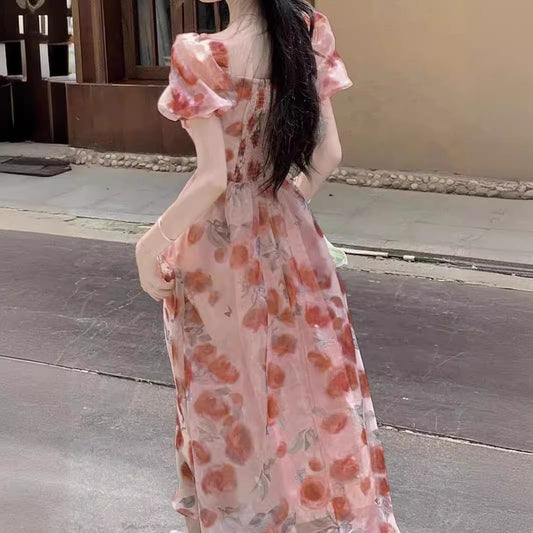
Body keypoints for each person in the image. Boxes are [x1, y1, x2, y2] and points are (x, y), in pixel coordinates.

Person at [135, 1, 402, 531]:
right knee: (309, 387)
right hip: (292, 234)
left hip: (215, 254)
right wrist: (282, 208)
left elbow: (213, 178)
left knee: (226, 400)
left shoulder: (200, 54)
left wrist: (148, 245)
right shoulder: (308, 31)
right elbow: (328, 155)